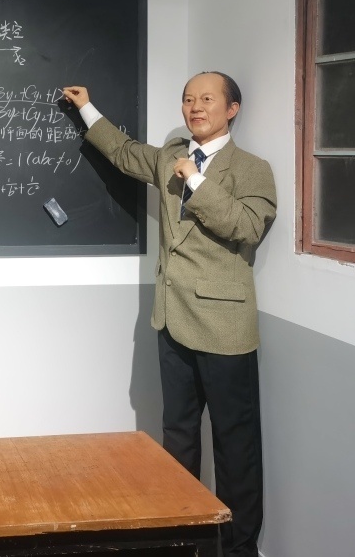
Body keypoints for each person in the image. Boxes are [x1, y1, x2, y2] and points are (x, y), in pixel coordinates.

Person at [62, 73, 276, 557]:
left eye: (207, 99)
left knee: (235, 445)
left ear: (232, 109)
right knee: (178, 436)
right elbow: (124, 153)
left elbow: (247, 227)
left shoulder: (252, 168)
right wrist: (87, 108)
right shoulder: (170, 155)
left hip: (225, 328)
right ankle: (182, 537)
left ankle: (238, 548)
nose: (195, 107)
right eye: (188, 99)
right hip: (171, 319)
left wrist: (196, 180)